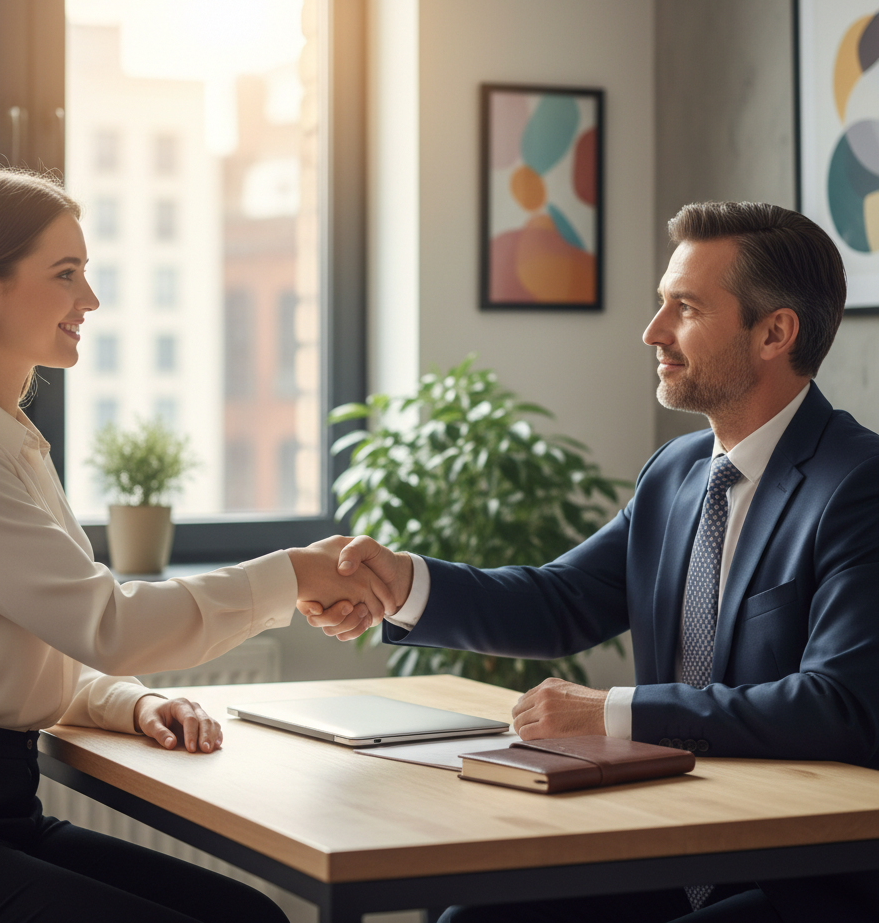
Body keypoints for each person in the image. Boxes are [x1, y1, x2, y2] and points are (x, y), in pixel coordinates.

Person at [300, 202, 879, 923]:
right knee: (472, 921)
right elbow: (561, 601)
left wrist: (609, 713)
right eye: (660, 302)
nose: (653, 331)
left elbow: (838, 707)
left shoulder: (859, 484)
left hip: (807, 875)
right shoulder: (675, 475)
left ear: (775, 332)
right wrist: (402, 583)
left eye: (685, 308)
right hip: (673, 838)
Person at [0, 168, 395, 923]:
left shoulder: (5, 442)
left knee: (248, 915)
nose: (91, 300)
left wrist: (132, 706)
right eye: (66, 274)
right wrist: (292, 574)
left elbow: (35, 656)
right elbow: (108, 625)